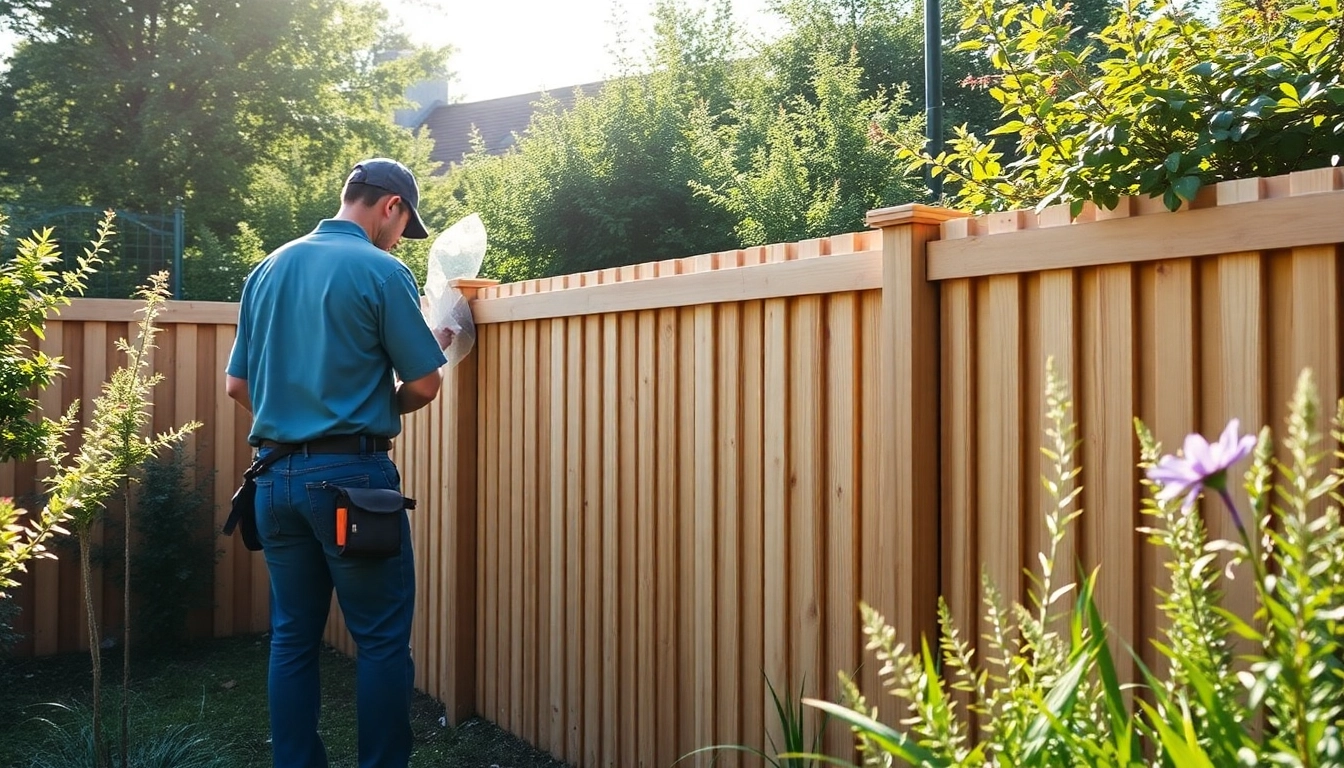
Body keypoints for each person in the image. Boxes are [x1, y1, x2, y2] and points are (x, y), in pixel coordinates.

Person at [224, 157, 448, 768]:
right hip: (352, 485)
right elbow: (425, 385)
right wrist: (381, 404)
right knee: (378, 642)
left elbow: (237, 386)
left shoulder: (268, 268)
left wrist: (296, 419)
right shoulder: (381, 270)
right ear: (390, 206)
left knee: (293, 638)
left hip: (273, 482)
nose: (399, 237)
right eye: (403, 224)